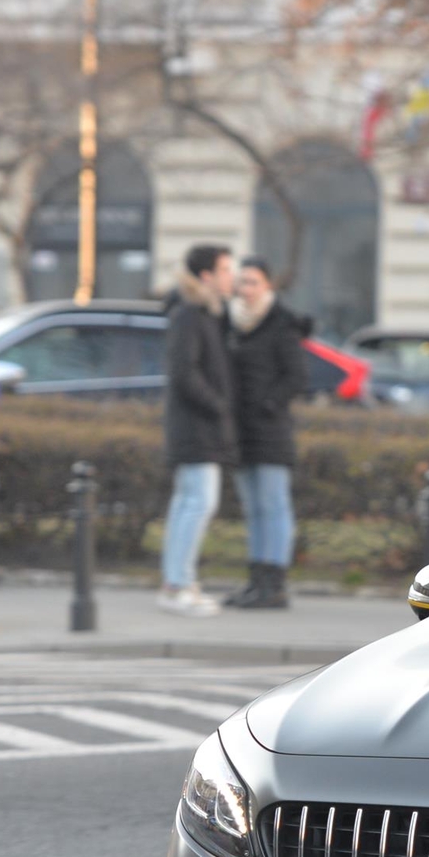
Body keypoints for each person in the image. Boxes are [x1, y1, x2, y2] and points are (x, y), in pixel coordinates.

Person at [221, 256, 310, 610]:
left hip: (271, 430)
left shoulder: (282, 324)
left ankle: (275, 583)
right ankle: (255, 581)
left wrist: (269, 403)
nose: (246, 289)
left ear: (268, 286)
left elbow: (297, 377)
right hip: (240, 430)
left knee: (274, 506)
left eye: (254, 282)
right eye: (242, 282)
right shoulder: (230, 324)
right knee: (253, 508)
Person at [158, 244, 238, 616]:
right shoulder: (191, 314)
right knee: (197, 504)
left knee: (189, 504)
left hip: (198, 426)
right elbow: (185, 373)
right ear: (206, 275)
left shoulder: (205, 313)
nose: (231, 277)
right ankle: (178, 586)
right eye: (225, 270)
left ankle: (178, 582)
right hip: (196, 427)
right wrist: (218, 405)